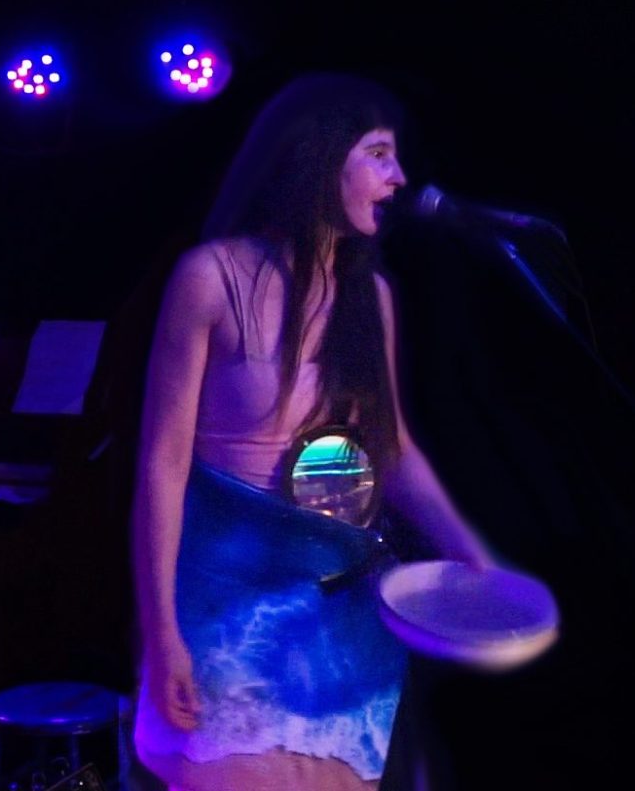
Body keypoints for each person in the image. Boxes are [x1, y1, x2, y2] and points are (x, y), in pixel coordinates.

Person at [130, 70, 493, 791]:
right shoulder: (211, 278)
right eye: (379, 154)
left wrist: (470, 551)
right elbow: (161, 465)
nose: (399, 178)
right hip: (227, 608)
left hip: (335, 611)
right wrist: (161, 630)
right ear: (322, 158)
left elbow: (393, 449)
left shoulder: (371, 298)